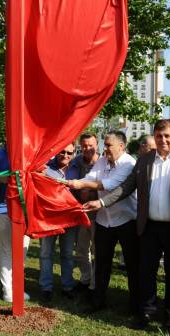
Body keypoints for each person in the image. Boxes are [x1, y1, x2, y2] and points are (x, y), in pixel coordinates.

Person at [84, 120, 170, 333]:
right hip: (148, 228)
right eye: (159, 136)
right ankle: (146, 312)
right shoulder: (145, 160)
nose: (163, 140)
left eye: (167, 136)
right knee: (146, 272)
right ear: (155, 137)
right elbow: (127, 188)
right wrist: (101, 202)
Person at [68, 131, 138, 314]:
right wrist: (73, 182)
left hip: (126, 221)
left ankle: (135, 304)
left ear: (121, 146)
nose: (105, 149)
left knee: (132, 264)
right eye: (105, 145)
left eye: (109, 145)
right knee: (102, 263)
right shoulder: (103, 161)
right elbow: (91, 177)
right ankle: (97, 300)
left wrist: (80, 184)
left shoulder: (129, 164)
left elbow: (110, 184)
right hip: (104, 220)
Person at [0, 145, 31, 302]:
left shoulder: (29, 153)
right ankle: (8, 291)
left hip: (24, 210)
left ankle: (17, 287)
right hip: (2, 209)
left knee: (22, 250)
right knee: (6, 250)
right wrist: (6, 177)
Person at [39, 142, 80, 301]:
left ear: (74, 153)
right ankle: (46, 287)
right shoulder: (45, 168)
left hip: (70, 217)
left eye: (69, 153)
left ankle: (67, 286)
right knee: (45, 253)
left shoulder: (77, 167)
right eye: (62, 152)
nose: (65, 155)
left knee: (68, 254)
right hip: (49, 217)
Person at [69, 133, 99, 292]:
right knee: (81, 250)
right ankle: (85, 279)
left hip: (99, 216)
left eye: (90, 145)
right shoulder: (76, 162)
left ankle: (94, 285)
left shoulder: (103, 163)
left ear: (97, 144)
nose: (87, 149)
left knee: (96, 251)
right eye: (84, 146)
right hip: (81, 214)